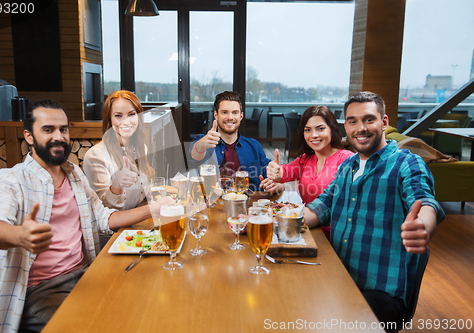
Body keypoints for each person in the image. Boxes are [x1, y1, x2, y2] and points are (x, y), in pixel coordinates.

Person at [0, 100, 173, 333]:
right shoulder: (10, 179)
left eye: (63, 129)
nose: (58, 136)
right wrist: (20, 234)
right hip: (41, 290)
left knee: (144, 304)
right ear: (29, 137)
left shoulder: (74, 174)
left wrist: (155, 209)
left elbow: (104, 218)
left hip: (85, 273)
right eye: (48, 130)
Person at [275, 92, 445, 331]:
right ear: (346, 126)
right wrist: (269, 222)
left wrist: (422, 224)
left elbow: (424, 200)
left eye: (368, 119)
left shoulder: (406, 163)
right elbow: (321, 207)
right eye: (353, 121)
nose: (360, 128)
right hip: (338, 276)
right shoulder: (348, 166)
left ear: (384, 122)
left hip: (380, 292)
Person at [262, 105, 354, 238]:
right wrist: (276, 172)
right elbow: (285, 172)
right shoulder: (306, 159)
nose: (314, 135)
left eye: (320, 129)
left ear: (332, 129)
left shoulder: (346, 159)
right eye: (308, 130)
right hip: (308, 232)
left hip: (336, 238)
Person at [83, 90, 154, 210]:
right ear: (109, 119)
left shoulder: (142, 148)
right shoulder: (95, 156)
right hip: (116, 228)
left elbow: (143, 191)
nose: (126, 121)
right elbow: (102, 209)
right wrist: (116, 186)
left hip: (138, 222)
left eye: (131, 114)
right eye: (118, 116)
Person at [189, 91, 271, 192]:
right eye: (224, 112)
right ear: (216, 115)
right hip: (214, 204)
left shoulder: (254, 146)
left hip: (249, 205)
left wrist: (276, 176)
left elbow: (270, 173)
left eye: (234, 112)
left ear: (241, 116)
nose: (230, 117)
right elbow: (194, 157)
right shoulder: (203, 141)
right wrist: (201, 145)